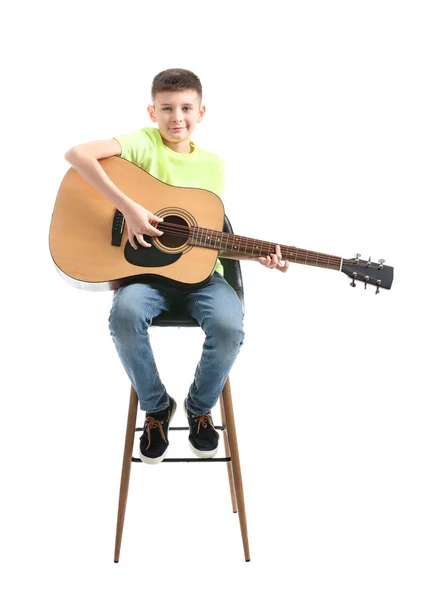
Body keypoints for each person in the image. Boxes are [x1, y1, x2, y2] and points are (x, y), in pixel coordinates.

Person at [64, 68, 289, 464]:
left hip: (201, 278)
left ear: (201, 112)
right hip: (144, 276)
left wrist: (259, 255)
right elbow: (76, 155)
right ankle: (156, 407)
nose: (176, 117)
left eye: (186, 108)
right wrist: (128, 207)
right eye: (167, 108)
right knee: (124, 316)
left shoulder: (213, 165)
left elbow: (205, 237)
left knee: (229, 326)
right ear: (152, 111)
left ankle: (200, 408)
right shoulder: (142, 144)